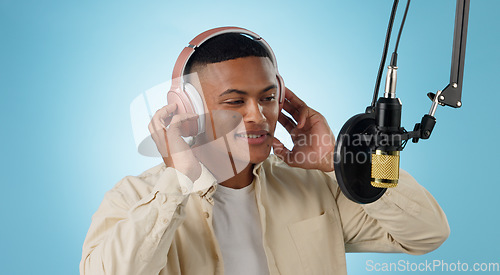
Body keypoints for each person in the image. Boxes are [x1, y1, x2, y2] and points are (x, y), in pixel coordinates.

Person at [80, 27, 450, 275]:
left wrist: (341, 160)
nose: (257, 116)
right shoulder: (136, 198)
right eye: (235, 101)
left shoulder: (314, 186)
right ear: (188, 109)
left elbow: (426, 233)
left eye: (268, 98)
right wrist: (179, 181)